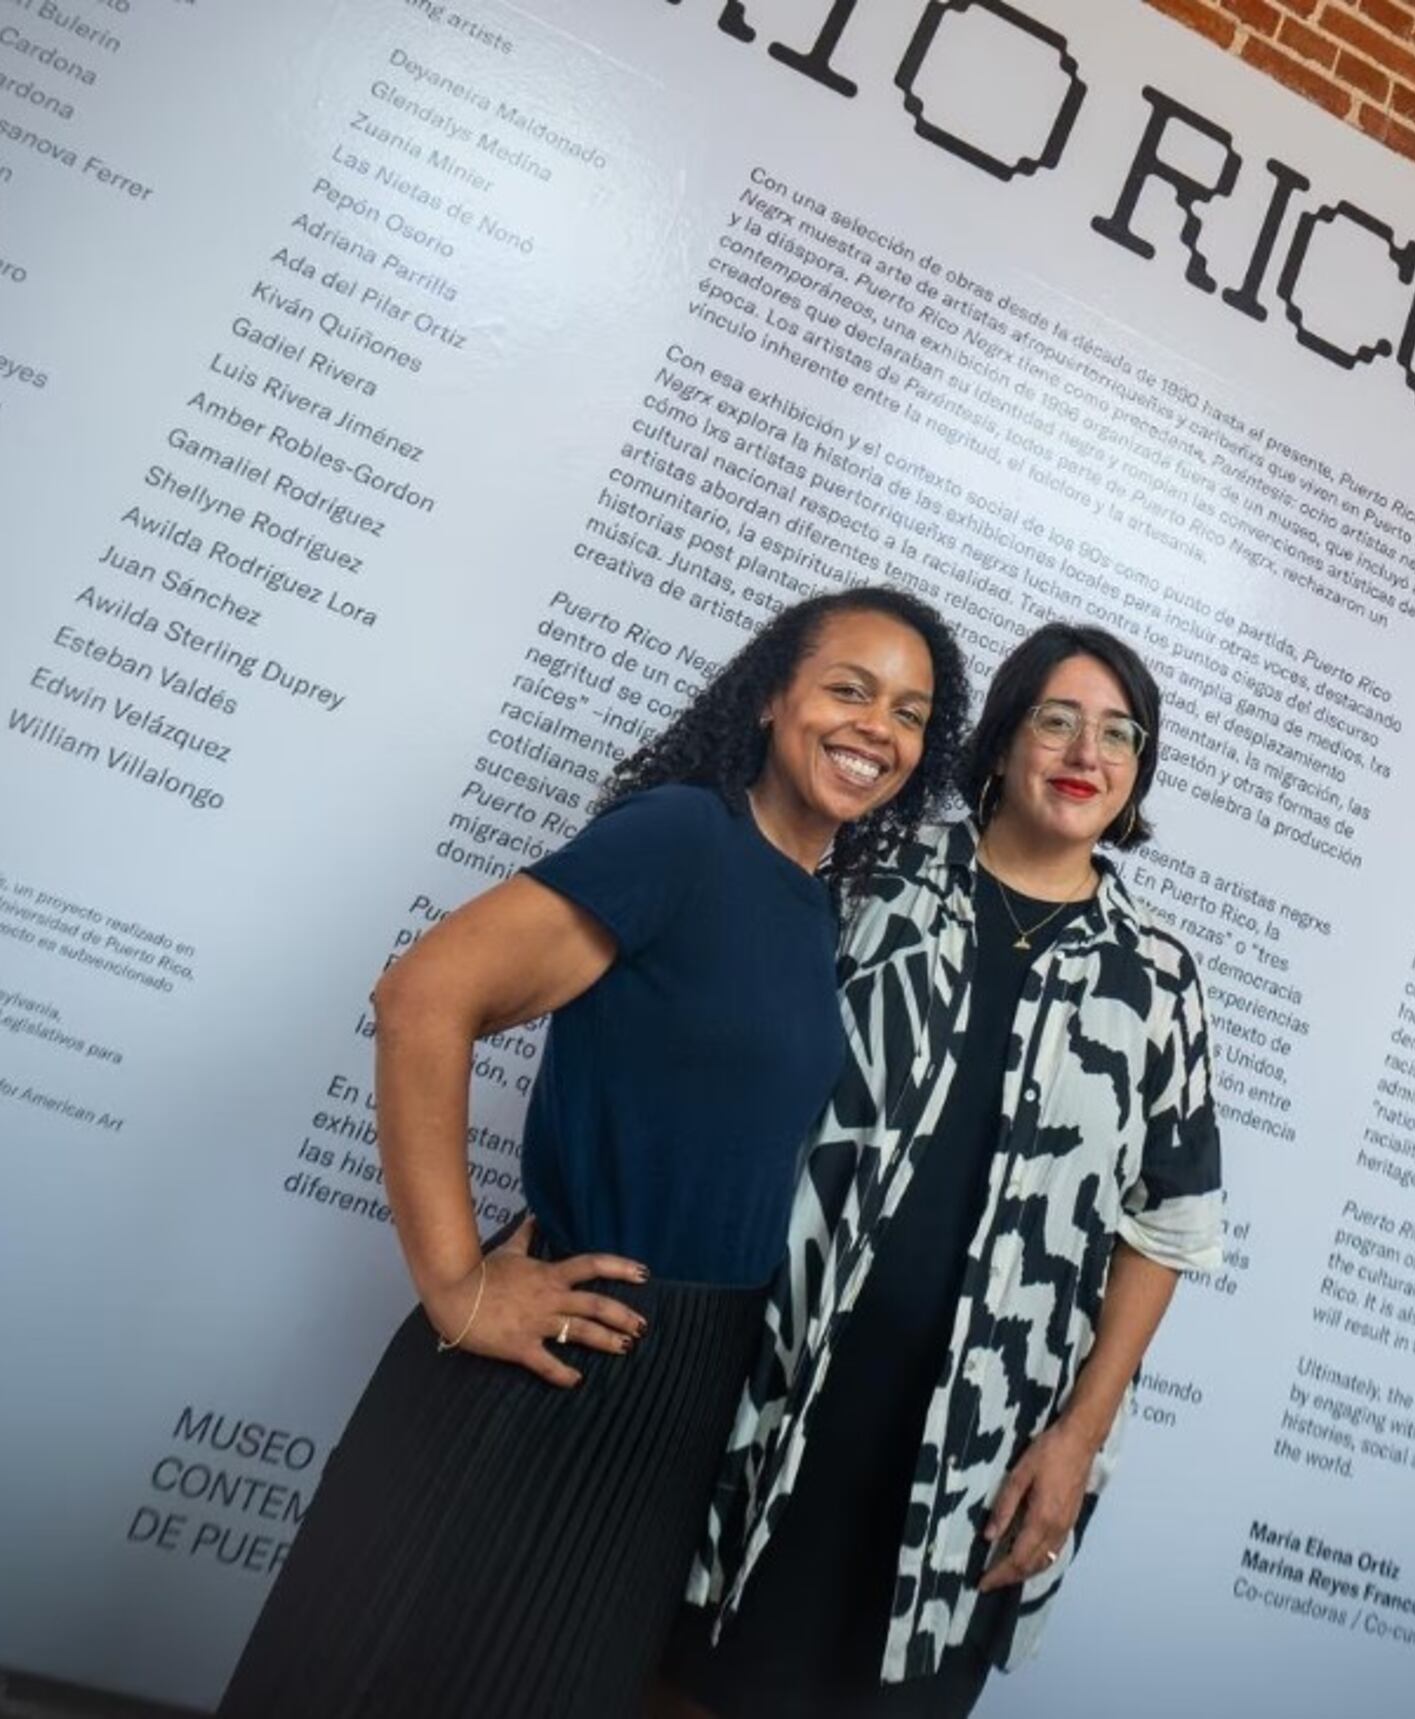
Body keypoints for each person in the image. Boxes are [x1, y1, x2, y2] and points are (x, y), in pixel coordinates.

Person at [218, 586, 971, 1719]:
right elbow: (425, 993)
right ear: (772, 697)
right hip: (561, 1361)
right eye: (849, 689)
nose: (878, 729)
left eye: (910, 712)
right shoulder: (682, 836)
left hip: (680, 1388)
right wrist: (458, 1290)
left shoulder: (815, 907)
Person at [667, 622, 1225, 1717]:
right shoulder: (873, 877)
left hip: (983, 1445)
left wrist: (1077, 1440)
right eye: (1056, 719)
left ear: (1137, 773)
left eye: (1120, 734)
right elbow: (731, 1063)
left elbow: (1165, 1226)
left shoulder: (1155, 977)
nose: (1085, 752)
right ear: (1005, 738)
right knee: (691, 1680)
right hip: (778, 1393)